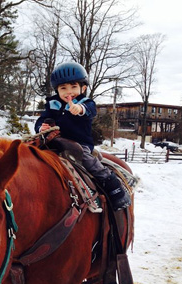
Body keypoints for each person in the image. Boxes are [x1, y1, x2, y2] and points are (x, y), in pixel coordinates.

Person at [35, 62, 130, 211]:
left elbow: (91, 111)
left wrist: (80, 109)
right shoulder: (52, 104)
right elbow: (42, 119)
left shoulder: (85, 102)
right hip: (53, 142)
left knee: (87, 160)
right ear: (57, 90)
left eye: (73, 87)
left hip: (78, 144)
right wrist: (41, 127)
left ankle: (112, 184)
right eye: (63, 88)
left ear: (83, 88)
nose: (69, 92)